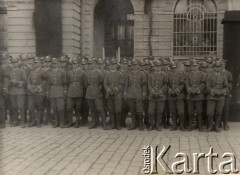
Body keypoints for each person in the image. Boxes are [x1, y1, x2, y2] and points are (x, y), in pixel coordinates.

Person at [4, 57, 27, 128]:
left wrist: (17, 82)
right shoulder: (9, 72)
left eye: (16, 62)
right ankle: (16, 121)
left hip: (20, 91)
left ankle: (23, 122)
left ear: (18, 63)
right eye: (13, 63)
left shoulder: (22, 71)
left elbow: (25, 81)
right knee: (14, 107)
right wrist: (9, 84)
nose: (14, 64)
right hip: (12, 92)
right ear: (11, 63)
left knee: (21, 106)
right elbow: (6, 82)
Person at [206, 61, 228, 132]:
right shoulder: (210, 75)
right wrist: (214, 92)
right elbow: (207, 86)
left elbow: (226, 86)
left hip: (220, 97)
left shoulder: (223, 76)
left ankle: (216, 126)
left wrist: (221, 92)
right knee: (209, 112)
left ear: (221, 67)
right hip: (211, 96)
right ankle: (210, 126)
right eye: (216, 67)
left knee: (219, 112)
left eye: (219, 67)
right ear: (214, 67)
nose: (217, 68)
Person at [125, 59, 147, 131]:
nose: (134, 66)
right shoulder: (128, 73)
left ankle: (141, 124)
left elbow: (144, 84)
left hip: (138, 93)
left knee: (140, 110)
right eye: (133, 65)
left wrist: (144, 93)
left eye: (135, 65)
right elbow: (126, 84)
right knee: (132, 110)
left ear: (138, 65)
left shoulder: (142, 73)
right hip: (130, 94)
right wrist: (125, 93)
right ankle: (133, 124)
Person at [85, 59, 107, 129]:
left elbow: (101, 82)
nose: (91, 65)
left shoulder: (99, 73)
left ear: (96, 65)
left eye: (93, 64)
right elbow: (85, 83)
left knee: (100, 108)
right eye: (90, 64)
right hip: (89, 92)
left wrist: (98, 89)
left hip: (97, 92)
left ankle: (104, 123)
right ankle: (94, 122)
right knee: (92, 109)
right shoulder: (86, 73)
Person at [46, 58, 67, 128]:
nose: (54, 65)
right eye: (53, 63)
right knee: (54, 108)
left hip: (60, 90)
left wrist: (65, 91)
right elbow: (48, 83)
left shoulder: (62, 72)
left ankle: (62, 122)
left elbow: (65, 83)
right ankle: (56, 122)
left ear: (58, 64)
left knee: (61, 108)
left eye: (56, 63)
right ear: (52, 64)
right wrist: (47, 91)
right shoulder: (49, 73)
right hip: (52, 91)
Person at [185, 60, 206, 132]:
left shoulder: (202, 74)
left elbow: (203, 83)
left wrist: (197, 90)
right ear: (191, 66)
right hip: (190, 95)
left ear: (198, 66)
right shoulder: (188, 74)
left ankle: (199, 126)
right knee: (190, 111)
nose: (194, 67)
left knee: (199, 111)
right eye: (193, 66)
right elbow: (186, 84)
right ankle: (190, 126)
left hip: (198, 95)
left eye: (196, 66)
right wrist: (190, 90)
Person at [147, 60, 168, 131]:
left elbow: (166, 85)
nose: (157, 68)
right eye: (156, 66)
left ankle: (157, 125)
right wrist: (152, 91)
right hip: (152, 96)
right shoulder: (150, 75)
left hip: (161, 96)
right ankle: (151, 125)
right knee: (150, 111)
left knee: (159, 111)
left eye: (159, 66)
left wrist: (160, 91)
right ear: (154, 67)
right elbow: (149, 85)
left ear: (161, 67)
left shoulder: (164, 75)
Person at [104, 58, 124, 130]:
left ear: (116, 65)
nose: (113, 66)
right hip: (109, 94)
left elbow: (122, 84)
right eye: (111, 64)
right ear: (109, 66)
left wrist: (116, 89)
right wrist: (108, 89)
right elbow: (105, 83)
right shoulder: (107, 74)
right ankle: (113, 124)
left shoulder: (120, 74)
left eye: (114, 64)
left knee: (118, 110)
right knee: (111, 110)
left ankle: (118, 124)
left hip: (117, 94)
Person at [27, 58, 47, 127]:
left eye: (37, 63)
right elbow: (28, 81)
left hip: (39, 92)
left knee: (39, 107)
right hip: (31, 92)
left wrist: (37, 89)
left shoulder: (43, 72)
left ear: (40, 64)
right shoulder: (31, 72)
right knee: (30, 107)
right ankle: (33, 121)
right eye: (35, 63)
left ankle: (38, 122)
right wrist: (30, 88)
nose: (36, 64)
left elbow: (44, 82)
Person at [66, 57, 85, 128]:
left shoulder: (82, 72)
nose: (74, 65)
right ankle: (70, 122)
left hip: (78, 92)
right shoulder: (69, 72)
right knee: (69, 108)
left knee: (78, 108)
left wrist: (81, 90)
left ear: (78, 64)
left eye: (75, 63)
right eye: (73, 64)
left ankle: (77, 122)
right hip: (70, 92)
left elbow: (84, 83)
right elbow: (68, 82)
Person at [167, 62, 185, 131]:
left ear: (176, 68)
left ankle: (181, 125)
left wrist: (177, 90)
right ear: (170, 68)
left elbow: (182, 85)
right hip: (171, 95)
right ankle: (174, 125)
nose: (173, 69)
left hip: (179, 95)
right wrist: (170, 90)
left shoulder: (180, 75)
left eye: (174, 68)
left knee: (181, 111)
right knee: (173, 111)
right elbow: (167, 84)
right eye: (172, 68)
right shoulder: (168, 75)